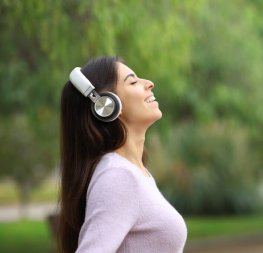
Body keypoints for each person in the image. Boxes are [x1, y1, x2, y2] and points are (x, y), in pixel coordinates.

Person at [58, 56, 187, 253]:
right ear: (106, 105)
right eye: (133, 81)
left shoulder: (135, 172)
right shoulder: (118, 176)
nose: (149, 83)